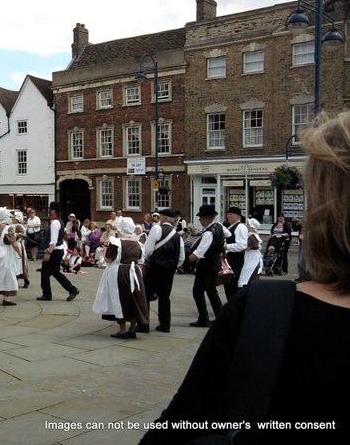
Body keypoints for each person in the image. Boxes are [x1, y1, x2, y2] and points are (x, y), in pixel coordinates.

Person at [139, 111, 350, 444]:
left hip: (227, 270)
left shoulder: (265, 311)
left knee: (207, 292)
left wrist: (192, 259)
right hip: (225, 269)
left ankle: (200, 317)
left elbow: (179, 426)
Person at [92, 217, 149, 338]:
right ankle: (132, 328)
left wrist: (105, 249)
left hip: (119, 272)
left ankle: (122, 330)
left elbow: (108, 259)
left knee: (119, 299)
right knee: (134, 299)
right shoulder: (138, 244)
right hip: (134, 273)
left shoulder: (116, 242)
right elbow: (141, 260)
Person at [186, 204, 231, 327]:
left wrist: (186, 261)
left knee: (198, 291)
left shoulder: (209, 233)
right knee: (211, 290)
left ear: (207, 218)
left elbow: (199, 252)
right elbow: (229, 235)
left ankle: (203, 318)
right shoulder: (219, 226)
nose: (199, 220)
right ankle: (221, 316)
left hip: (207, 264)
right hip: (216, 262)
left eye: (201, 217)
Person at [142, 208, 185, 333]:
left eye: (160, 216)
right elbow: (182, 257)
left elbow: (148, 250)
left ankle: (144, 324)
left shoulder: (157, 229)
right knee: (165, 297)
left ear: (164, 218)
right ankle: (165, 324)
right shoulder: (177, 235)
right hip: (169, 270)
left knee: (147, 295)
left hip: (155, 268)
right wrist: (173, 266)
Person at [37, 202, 80, 302]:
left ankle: (47, 294)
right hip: (58, 251)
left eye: (51, 210)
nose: (49, 212)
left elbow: (53, 240)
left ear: (55, 211)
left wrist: (48, 252)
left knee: (45, 273)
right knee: (56, 273)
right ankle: (72, 289)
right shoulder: (60, 221)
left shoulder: (55, 223)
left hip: (55, 251)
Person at [223, 206, 248, 301]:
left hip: (236, 259)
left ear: (238, 216)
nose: (228, 216)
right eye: (227, 214)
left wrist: (226, 246)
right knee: (228, 284)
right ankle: (231, 304)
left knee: (233, 284)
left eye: (231, 214)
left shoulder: (240, 227)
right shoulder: (229, 226)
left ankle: (235, 306)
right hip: (228, 259)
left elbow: (241, 245)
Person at [238, 218, 263, 289]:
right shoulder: (253, 234)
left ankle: (249, 286)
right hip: (251, 256)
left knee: (249, 271)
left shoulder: (252, 235)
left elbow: (253, 245)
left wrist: (245, 247)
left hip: (252, 257)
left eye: (248, 225)